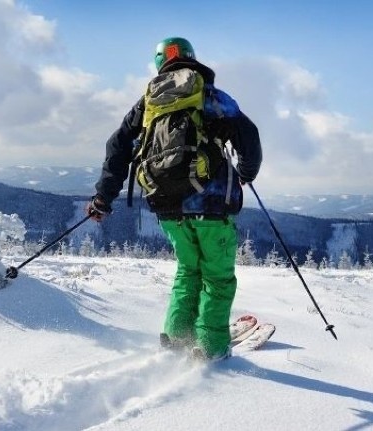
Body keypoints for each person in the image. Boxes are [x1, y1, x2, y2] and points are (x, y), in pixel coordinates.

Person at [86, 37, 262, 361]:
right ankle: (210, 348)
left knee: (187, 271)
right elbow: (248, 136)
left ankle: (176, 337)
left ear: (159, 64)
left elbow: (118, 147)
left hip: (167, 206)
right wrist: (246, 173)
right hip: (211, 207)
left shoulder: (148, 103)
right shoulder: (209, 97)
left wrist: (103, 197)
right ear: (192, 58)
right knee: (217, 279)